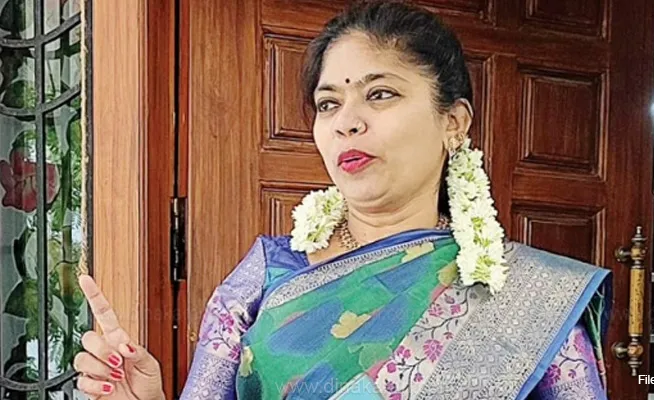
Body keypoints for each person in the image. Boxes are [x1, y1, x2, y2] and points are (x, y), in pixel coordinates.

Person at [74, 1, 611, 399]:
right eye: (328, 103)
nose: (347, 122)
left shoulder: (529, 299)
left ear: (453, 122)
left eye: (380, 94)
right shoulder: (266, 273)